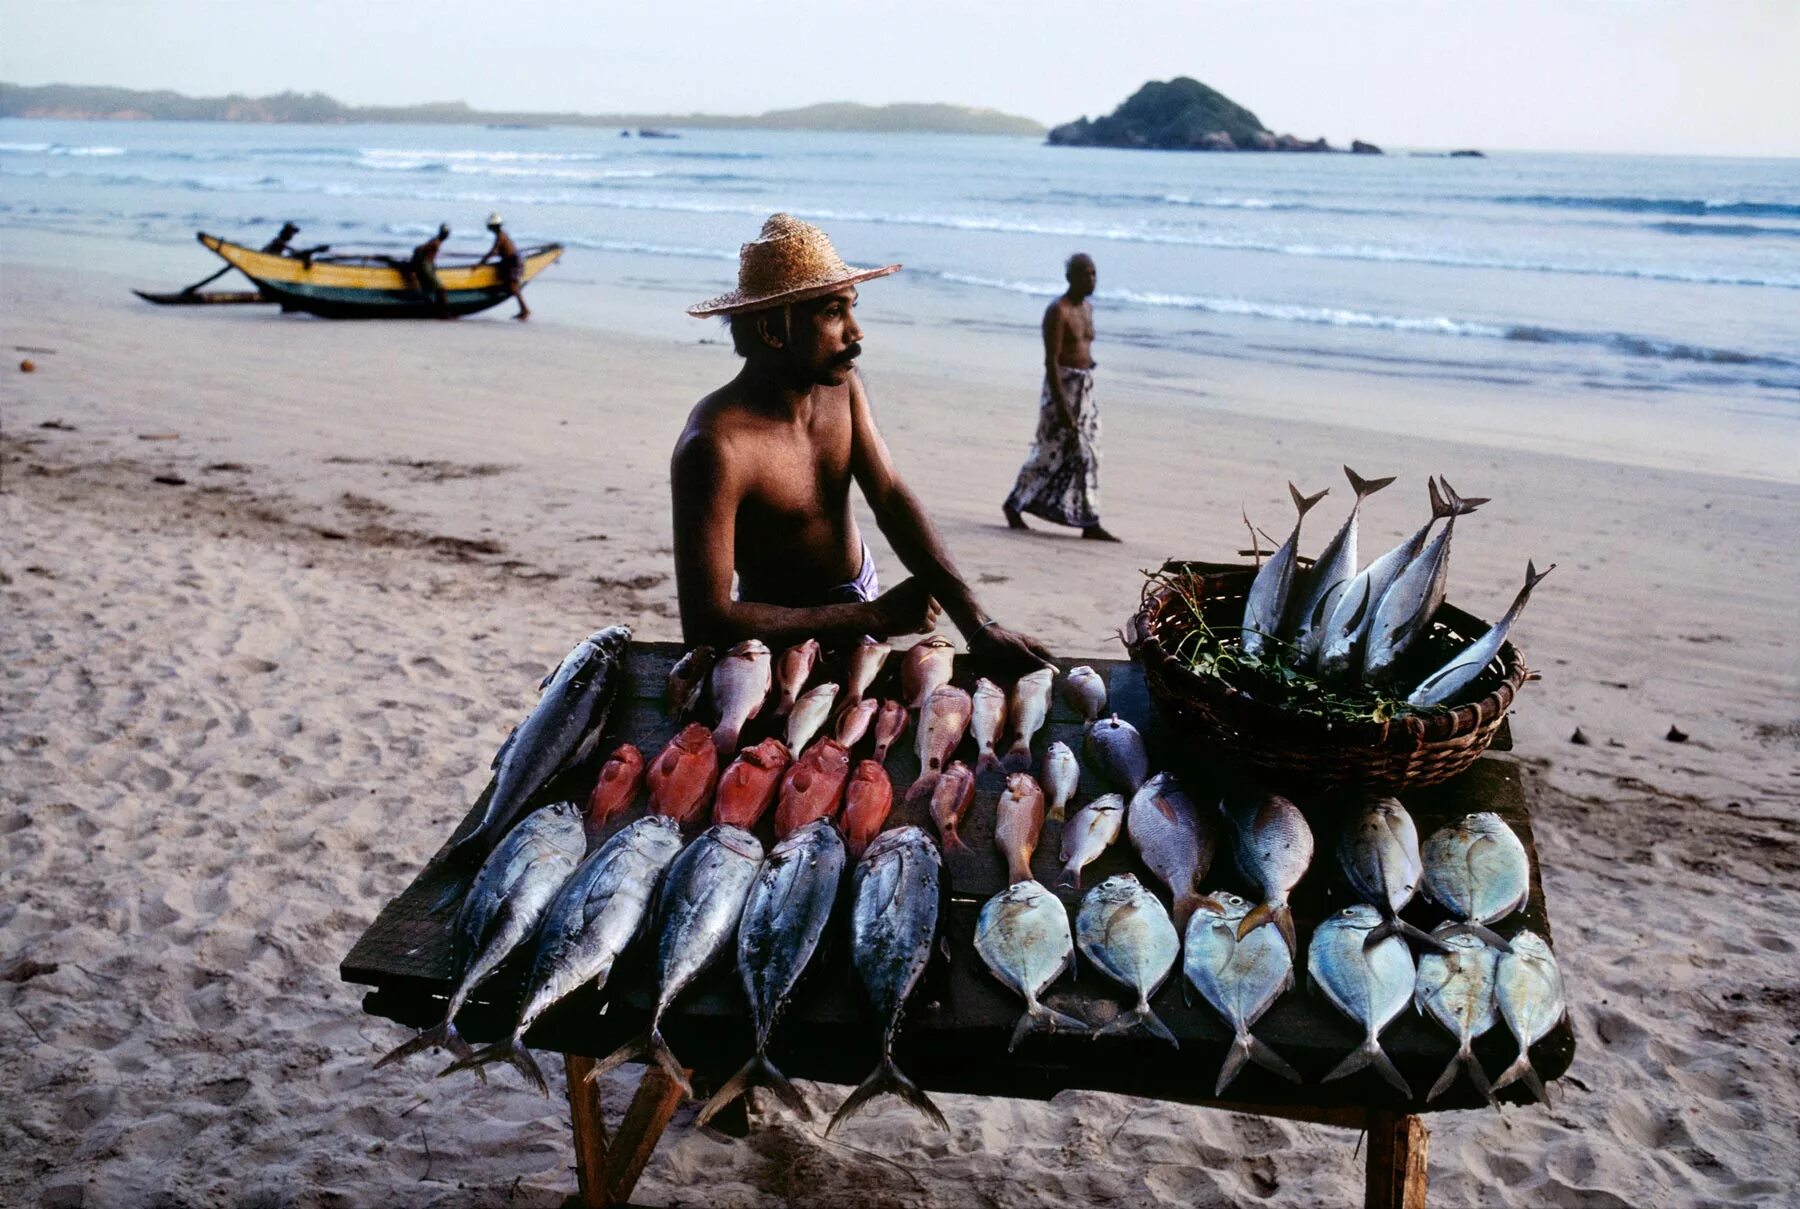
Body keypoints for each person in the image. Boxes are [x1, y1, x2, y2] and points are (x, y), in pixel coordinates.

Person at [672, 212, 1055, 670]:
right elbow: (707, 621)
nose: (855, 333)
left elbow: (890, 496)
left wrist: (979, 624)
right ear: (773, 331)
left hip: (860, 594)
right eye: (833, 313)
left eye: (852, 307)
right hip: (776, 629)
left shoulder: (840, 388)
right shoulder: (715, 446)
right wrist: (871, 615)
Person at [1002, 252, 1119, 541]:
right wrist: (1062, 406)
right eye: (1085, 274)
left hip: (1084, 389)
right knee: (1049, 451)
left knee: (1088, 453)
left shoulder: (1088, 309)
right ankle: (1014, 504)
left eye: (1094, 273)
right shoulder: (1059, 311)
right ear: (1071, 277)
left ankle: (1089, 520)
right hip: (1062, 389)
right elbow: (1051, 361)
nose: (1091, 279)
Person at [477, 211, 530, 320]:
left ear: (494, 226)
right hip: (509, 260)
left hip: (512, 261)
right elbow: (498, 251)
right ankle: (523, 310)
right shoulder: (501, 235)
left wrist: (480, 264)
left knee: (513, 286)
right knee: (511, 285)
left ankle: (525, 310)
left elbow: (493, 251)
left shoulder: (500, 236)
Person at [408, 223, 451, 317]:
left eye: (447, 233)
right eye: (445, 233)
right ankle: (443, 313)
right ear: (442, 233)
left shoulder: (437, 241)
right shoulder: (435, 242)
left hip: (429, 265)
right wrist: (416, 266)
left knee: (436, 289)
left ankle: (440, 311)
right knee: (441, 289)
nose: (446, 235)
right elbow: (418, 249)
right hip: (426, 266)